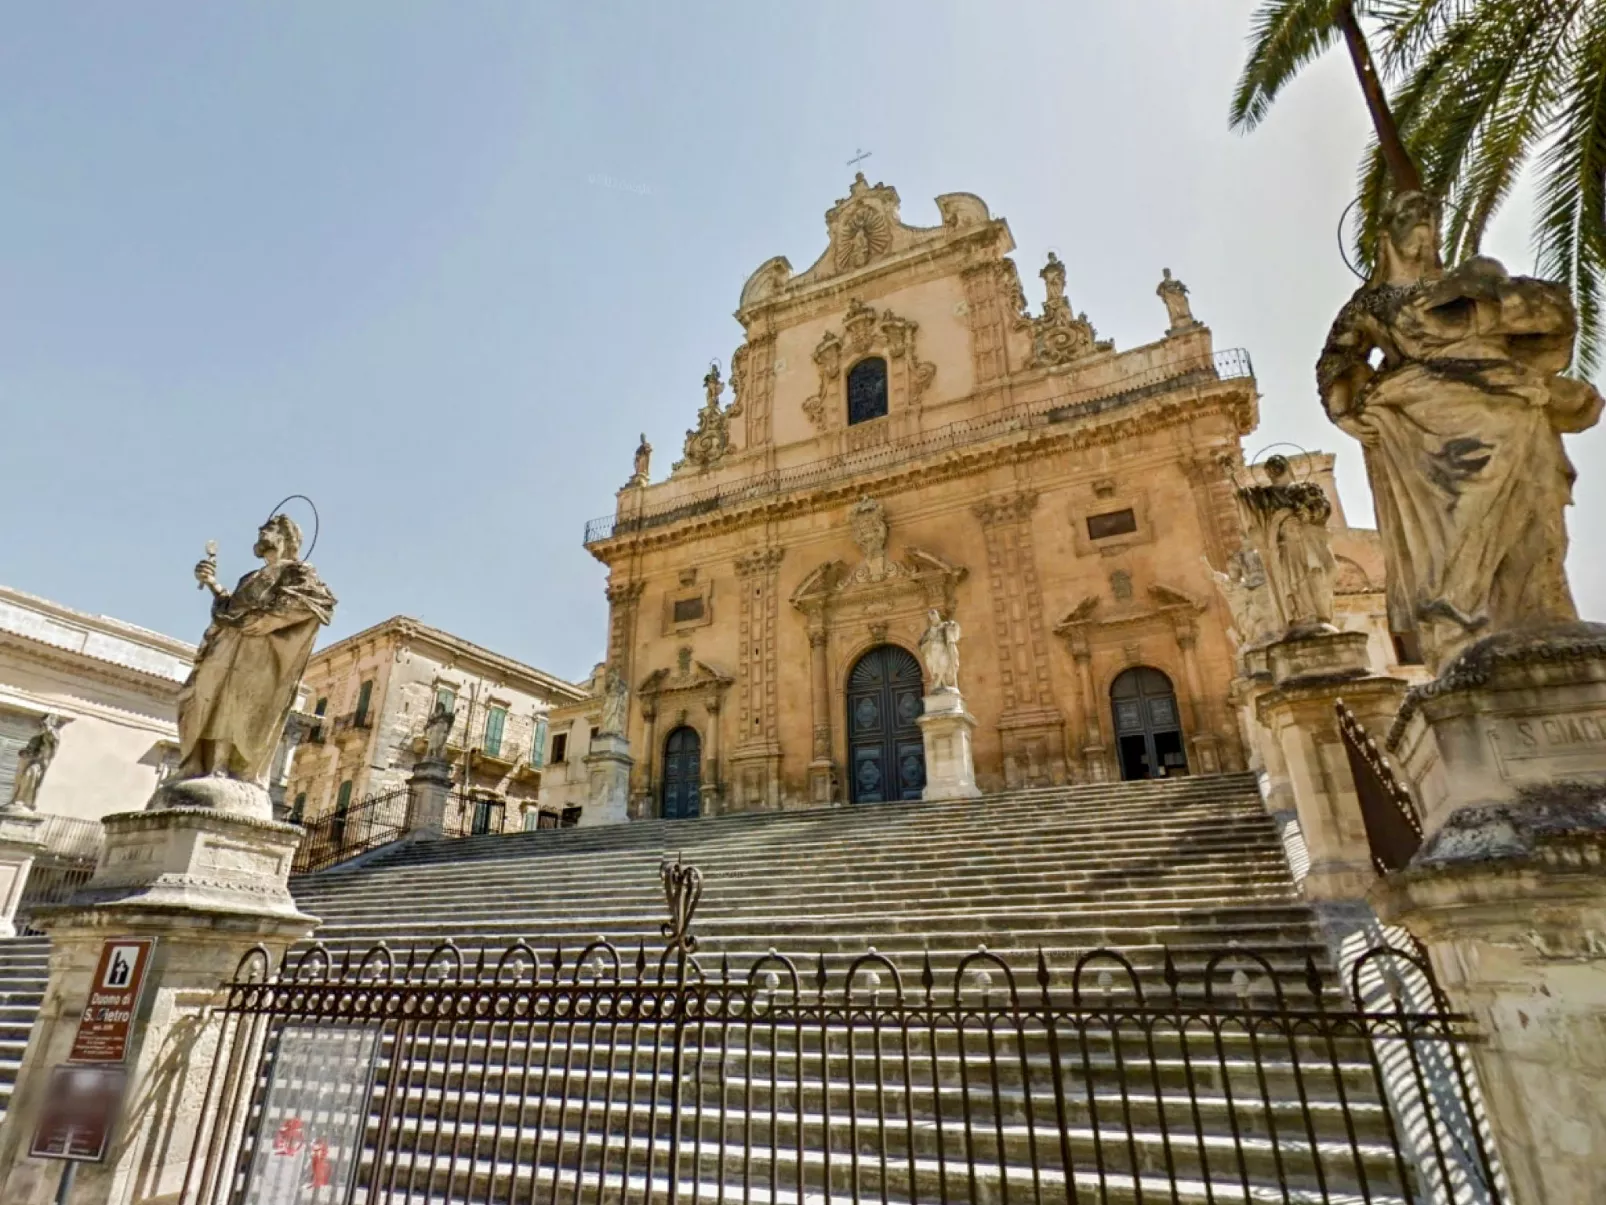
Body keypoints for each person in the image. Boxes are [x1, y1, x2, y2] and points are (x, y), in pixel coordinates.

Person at [1317, 191, 1603, 671]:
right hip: (1428, 419)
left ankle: (1541, 613)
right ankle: (1455, 616)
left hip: (1510, 399)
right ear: (1387, 235)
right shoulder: (1371, 303)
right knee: (1464, 512)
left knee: (1535, 504)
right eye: (1411, 217)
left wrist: (1487, 298)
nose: (1424, 227)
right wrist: (1349, 408)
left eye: (1430, 217)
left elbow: (1555, 316)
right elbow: (1336, 362)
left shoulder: (1471, 284)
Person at [179, 515, 336, 785]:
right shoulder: (250, 577)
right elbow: (232, 609)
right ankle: (199, 764)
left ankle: (223, 767)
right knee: (203, 696)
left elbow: (319, 601)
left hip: (259, 648)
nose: (262, 532)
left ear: (286, 537)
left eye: (270, 529)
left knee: (237, 703)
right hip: (228, 643)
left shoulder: (297, 571)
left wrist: (271, 621)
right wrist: (212, 582)